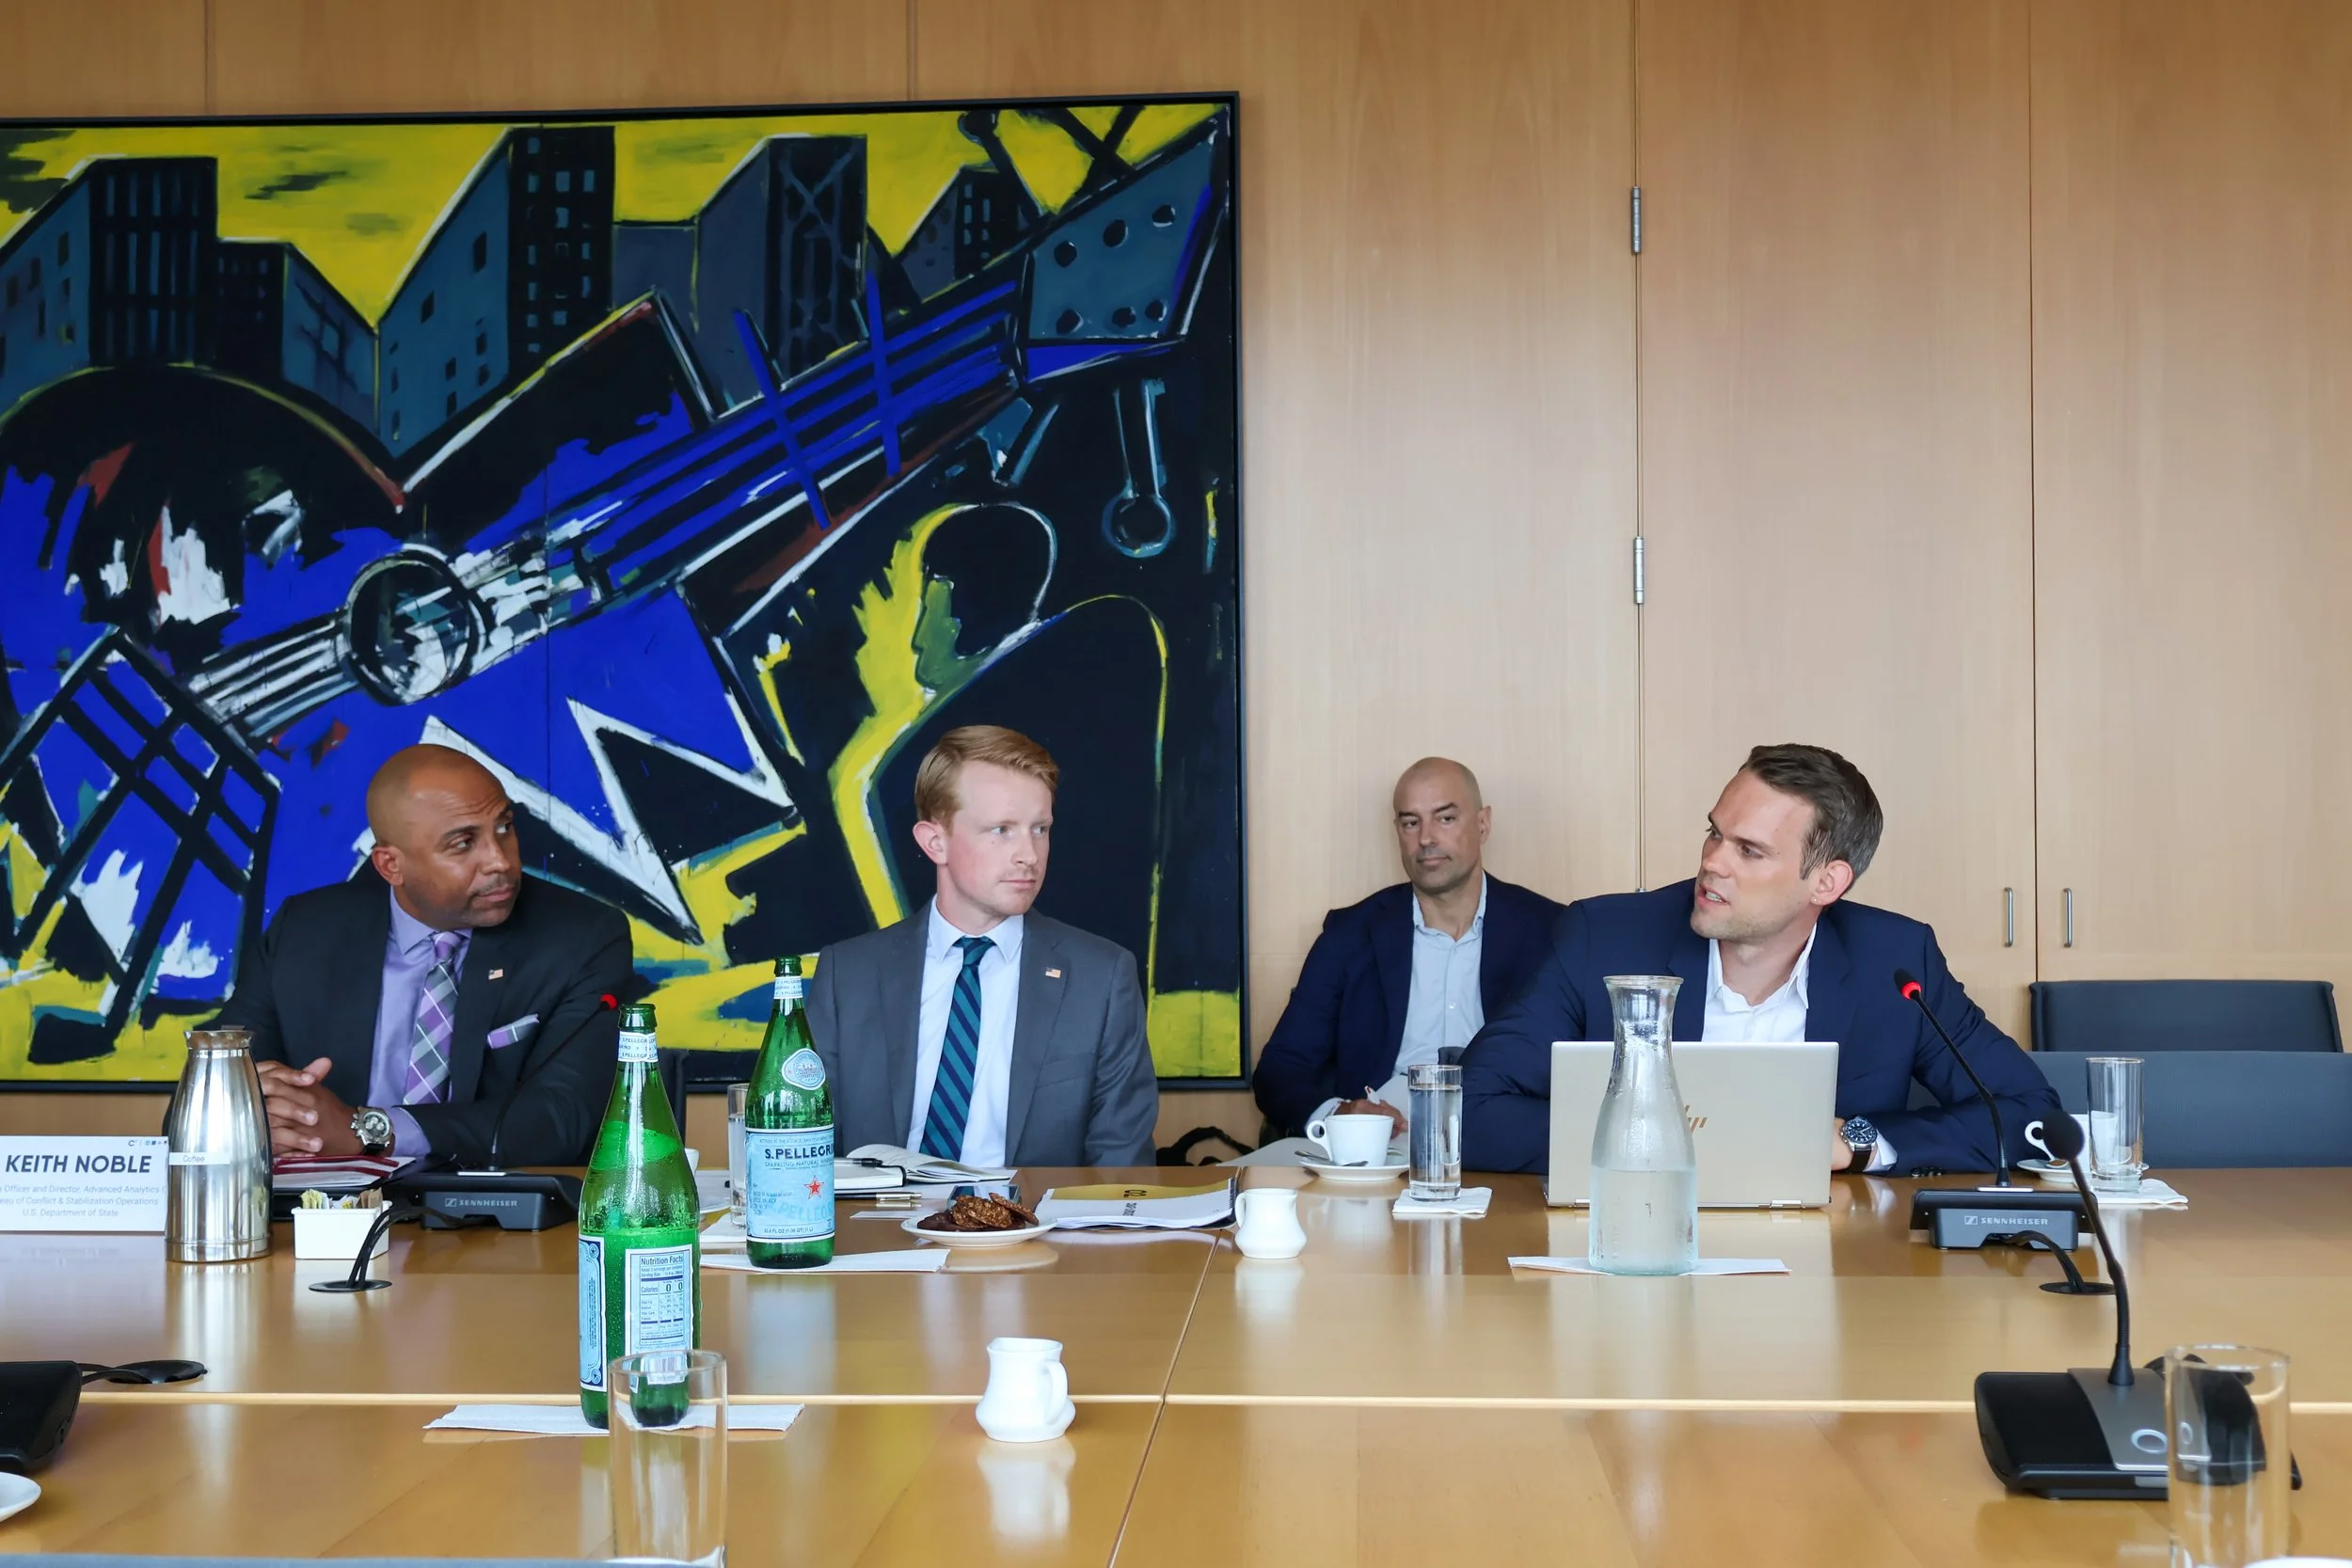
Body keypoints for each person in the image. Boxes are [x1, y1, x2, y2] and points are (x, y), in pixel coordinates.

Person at [1459, 744, 2059, 1176]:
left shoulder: (1895, 961)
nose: (1714, 862)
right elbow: (1470, 1110)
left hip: (1832, 1270)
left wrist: (1855, 1140)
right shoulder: (1607, 937)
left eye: (1749, 851)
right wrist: (1656, 1142)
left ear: (1826, 883)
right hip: (1638, 1243)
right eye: (1715, 834)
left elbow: (2032, 1116)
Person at [212, 744, 632, 1167]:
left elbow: (563, 1118)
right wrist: (255, 1111)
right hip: (320, 1210)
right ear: (390, 866)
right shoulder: (304, 932)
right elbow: (204, 1100)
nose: (500, 861)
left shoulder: (581, 937)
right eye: (464, 843)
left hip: (489, 1214)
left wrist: (368, 1129)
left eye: (504, 827)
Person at [807, 724, 1159, 1166]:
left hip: (1032, 1230)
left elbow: (1120, 1164)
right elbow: (803, 1149)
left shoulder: (1102, 977)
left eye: (1040, 829)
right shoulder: (848, 975)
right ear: (935, 842)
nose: (1029, 854)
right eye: (1001, 830)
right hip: (880, 1229)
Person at [1253, 757, 1563, 1136]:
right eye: (1411, 822)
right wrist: (1340, 1116)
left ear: (1483, 824)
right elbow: (1280, 1070)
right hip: (1384, 1146)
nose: (1426, 838)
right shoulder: (1351, 934)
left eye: (1445, 818)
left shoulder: (1550, 931)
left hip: (1505, 1137)